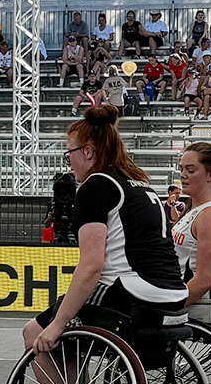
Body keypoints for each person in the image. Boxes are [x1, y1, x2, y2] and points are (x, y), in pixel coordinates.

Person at [24, 103, 187, 370]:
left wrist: (57, 325)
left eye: (69, 154)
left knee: (35, 333)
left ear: (87, 151)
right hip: (172, 293)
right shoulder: (139, 183)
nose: (69, 163)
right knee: (68, 315)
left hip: (133, 293)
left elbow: (91, 267)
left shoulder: (95, 186)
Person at [174, 143, 211, 310]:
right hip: (184, 297)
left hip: (196, 307)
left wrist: (171, 306)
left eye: (191, 170)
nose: (183, 175)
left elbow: (204, 279)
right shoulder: (194, 209)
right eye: (181, 169)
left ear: (210, 174)